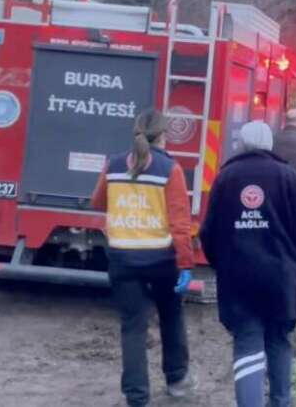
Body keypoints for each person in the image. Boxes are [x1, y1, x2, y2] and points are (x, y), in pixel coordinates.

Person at [200, 121, 296, 407]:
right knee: (279, 339)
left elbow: (208, 233)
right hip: (282, 278)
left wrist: (221, 264)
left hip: (238, 279)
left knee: (247, 344)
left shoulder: (225, 177)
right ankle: (280, 402)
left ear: (241, 145)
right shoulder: (287, 176)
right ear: (269, 145)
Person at [91, 109, 195, 407]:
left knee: (132, 326)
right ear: (163, 135)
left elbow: (97, 202)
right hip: (161, 260)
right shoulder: (170, 169)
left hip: (122, 258)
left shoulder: (113, 165)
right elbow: (180, 223)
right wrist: (186, 264)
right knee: (171, 315)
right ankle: (177, 381)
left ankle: (136, 397)